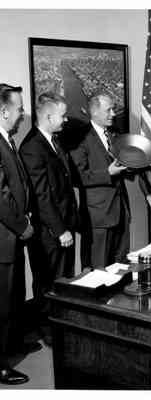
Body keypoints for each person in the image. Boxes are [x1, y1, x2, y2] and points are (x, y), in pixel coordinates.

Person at [19, 92, 80, 330]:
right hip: (49, 232)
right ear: (48, 116)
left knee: (63, 281)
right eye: (63, 116)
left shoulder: (54, 141)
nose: (66, 119)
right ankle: (49, 332)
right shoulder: (32, 147)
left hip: (63, 226)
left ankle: (63, 330)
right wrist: (60, 229)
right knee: (48, 284)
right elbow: (41, 195)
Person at [70, 93, 130, 269]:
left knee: (120, 267)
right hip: (98, 216)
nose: (113, 114)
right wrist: (107, 173)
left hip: (121, 212)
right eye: (109, 110)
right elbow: (78, 176)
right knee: (98, 269)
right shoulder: (80, 137)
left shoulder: (115, 134)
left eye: (113, 109)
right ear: (94, 112)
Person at [0, 83, 34, 384]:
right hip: (4, 237)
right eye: (19, 109)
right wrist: (22, 225)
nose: (22, 114)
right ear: (3, 111)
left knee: (13, 298)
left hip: (12, 234)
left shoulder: (7, 140)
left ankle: (11, 346)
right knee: (2, 303)